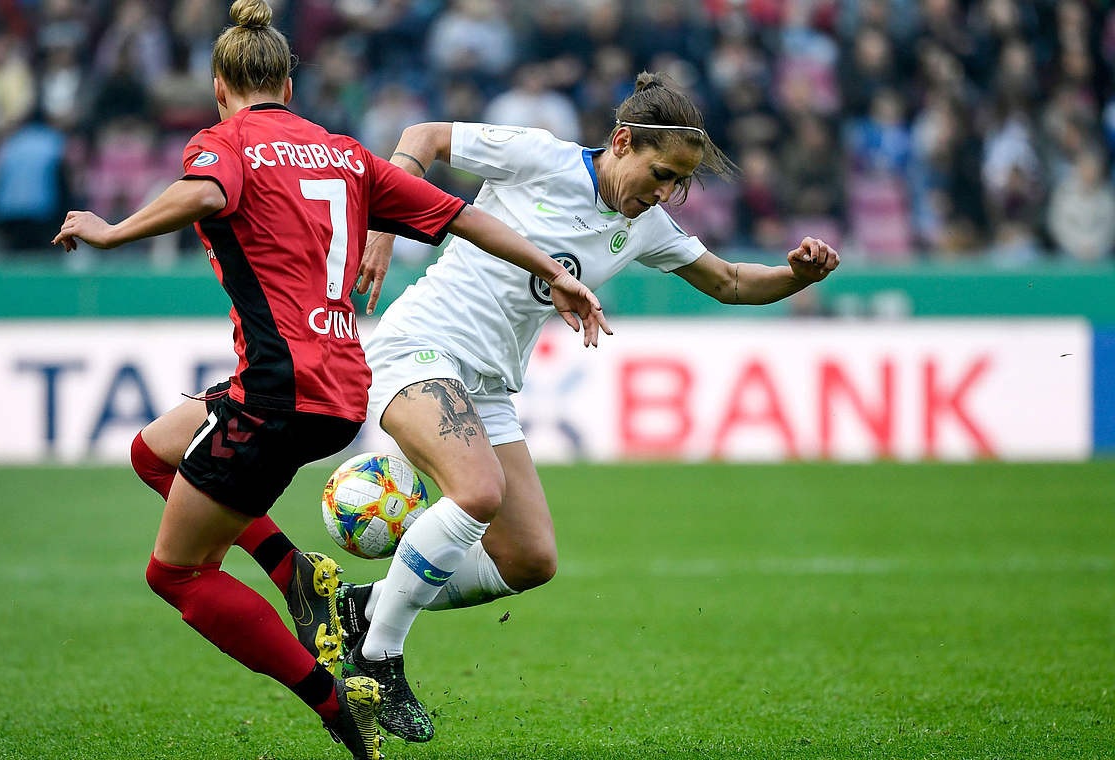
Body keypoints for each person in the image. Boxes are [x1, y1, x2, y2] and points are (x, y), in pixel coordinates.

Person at [50, 2, 607, 758]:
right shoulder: (342, 152)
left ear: (221, 86)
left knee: (175, 575)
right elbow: (459, 217)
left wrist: (114, 230)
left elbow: (208, 193)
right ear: (288, 79)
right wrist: (552, 270)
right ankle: (297, 574)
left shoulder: (225, 141)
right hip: (340, 387)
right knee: (153, 453)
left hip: (276, 394)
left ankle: (334, 699)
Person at [330, 73, 841, 742]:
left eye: (679, 186)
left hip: (486, 384)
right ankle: (376, 662)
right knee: (476, 491)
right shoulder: (541, 157)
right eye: (660, 174)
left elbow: (731, 281)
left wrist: (797, 276)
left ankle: (357, 609)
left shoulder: (645, 226)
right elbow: (421, 137)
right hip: (421, 346)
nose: (664, 194)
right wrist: (383, 227)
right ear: (622, 142)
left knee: (529, 558)